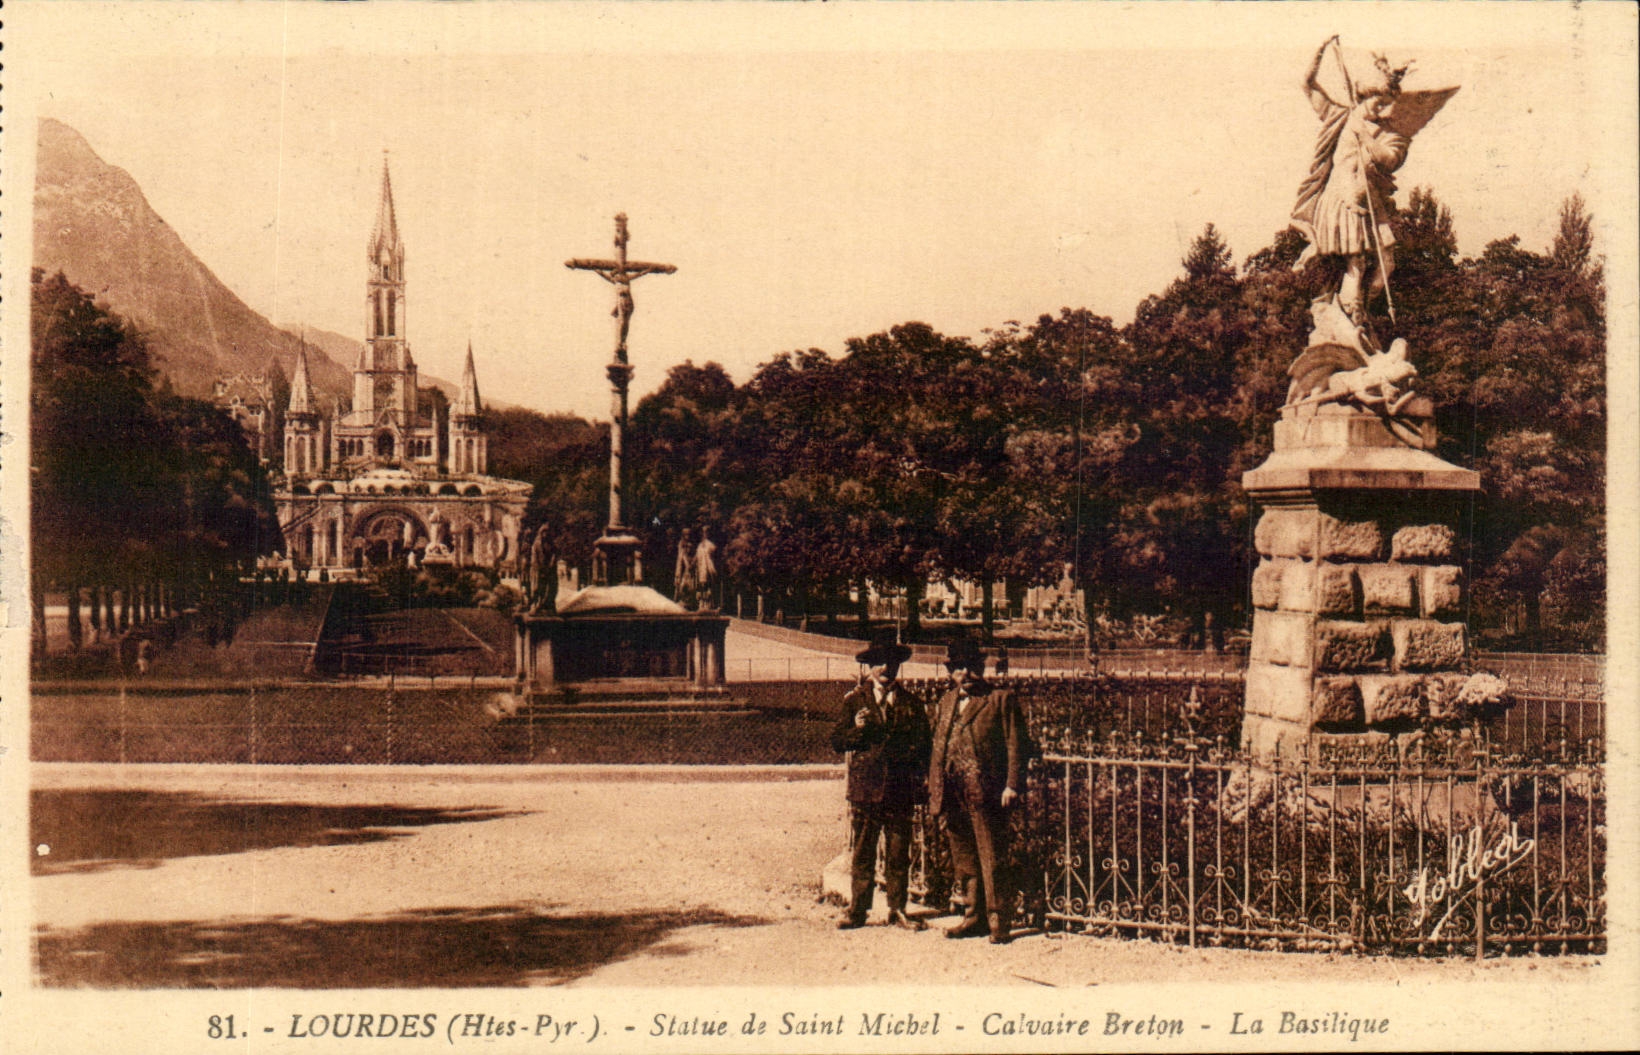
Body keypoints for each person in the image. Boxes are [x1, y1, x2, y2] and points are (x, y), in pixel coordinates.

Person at [1292, 38, 1413, 325]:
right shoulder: (1339, 116)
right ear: (1365, 95)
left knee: (1387, 264)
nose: (1382, 110)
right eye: (1378, 102)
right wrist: (1319, 52)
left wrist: (1366, 137)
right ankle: (1351, 317)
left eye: (1387, 105)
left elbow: (1390, 160)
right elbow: (1307, 84)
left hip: (1371, 206)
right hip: (1340, 202)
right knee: (1355, 264)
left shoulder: (1386, 132)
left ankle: (1363, 313)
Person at [830, 629, 932, 931]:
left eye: (892, 663)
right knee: (864, 851)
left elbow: (924, 745)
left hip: (899, 789)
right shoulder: (854, 702)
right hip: (866, 789)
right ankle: (858, 909)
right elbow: (838, 741)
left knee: (899, 852)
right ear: (870, 667)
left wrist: (917, 775)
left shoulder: (911, 704)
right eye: (880, 663)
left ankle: (897, 909)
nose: (887, 669)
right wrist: (857, 730)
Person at [928, 637, 1027, 943]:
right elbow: (939, 746)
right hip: (952, 792)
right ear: (950, 672)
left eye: (972, 667)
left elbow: (1016, 745)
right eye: (959, 669)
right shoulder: (946, 702)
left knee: (991, 856)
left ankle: (999, 922)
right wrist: (934, 785)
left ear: (981, 668)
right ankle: (973, 916)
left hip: (986, 792)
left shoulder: (999, 700)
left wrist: (1012, 784)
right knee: (965, 858)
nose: (966, 674)